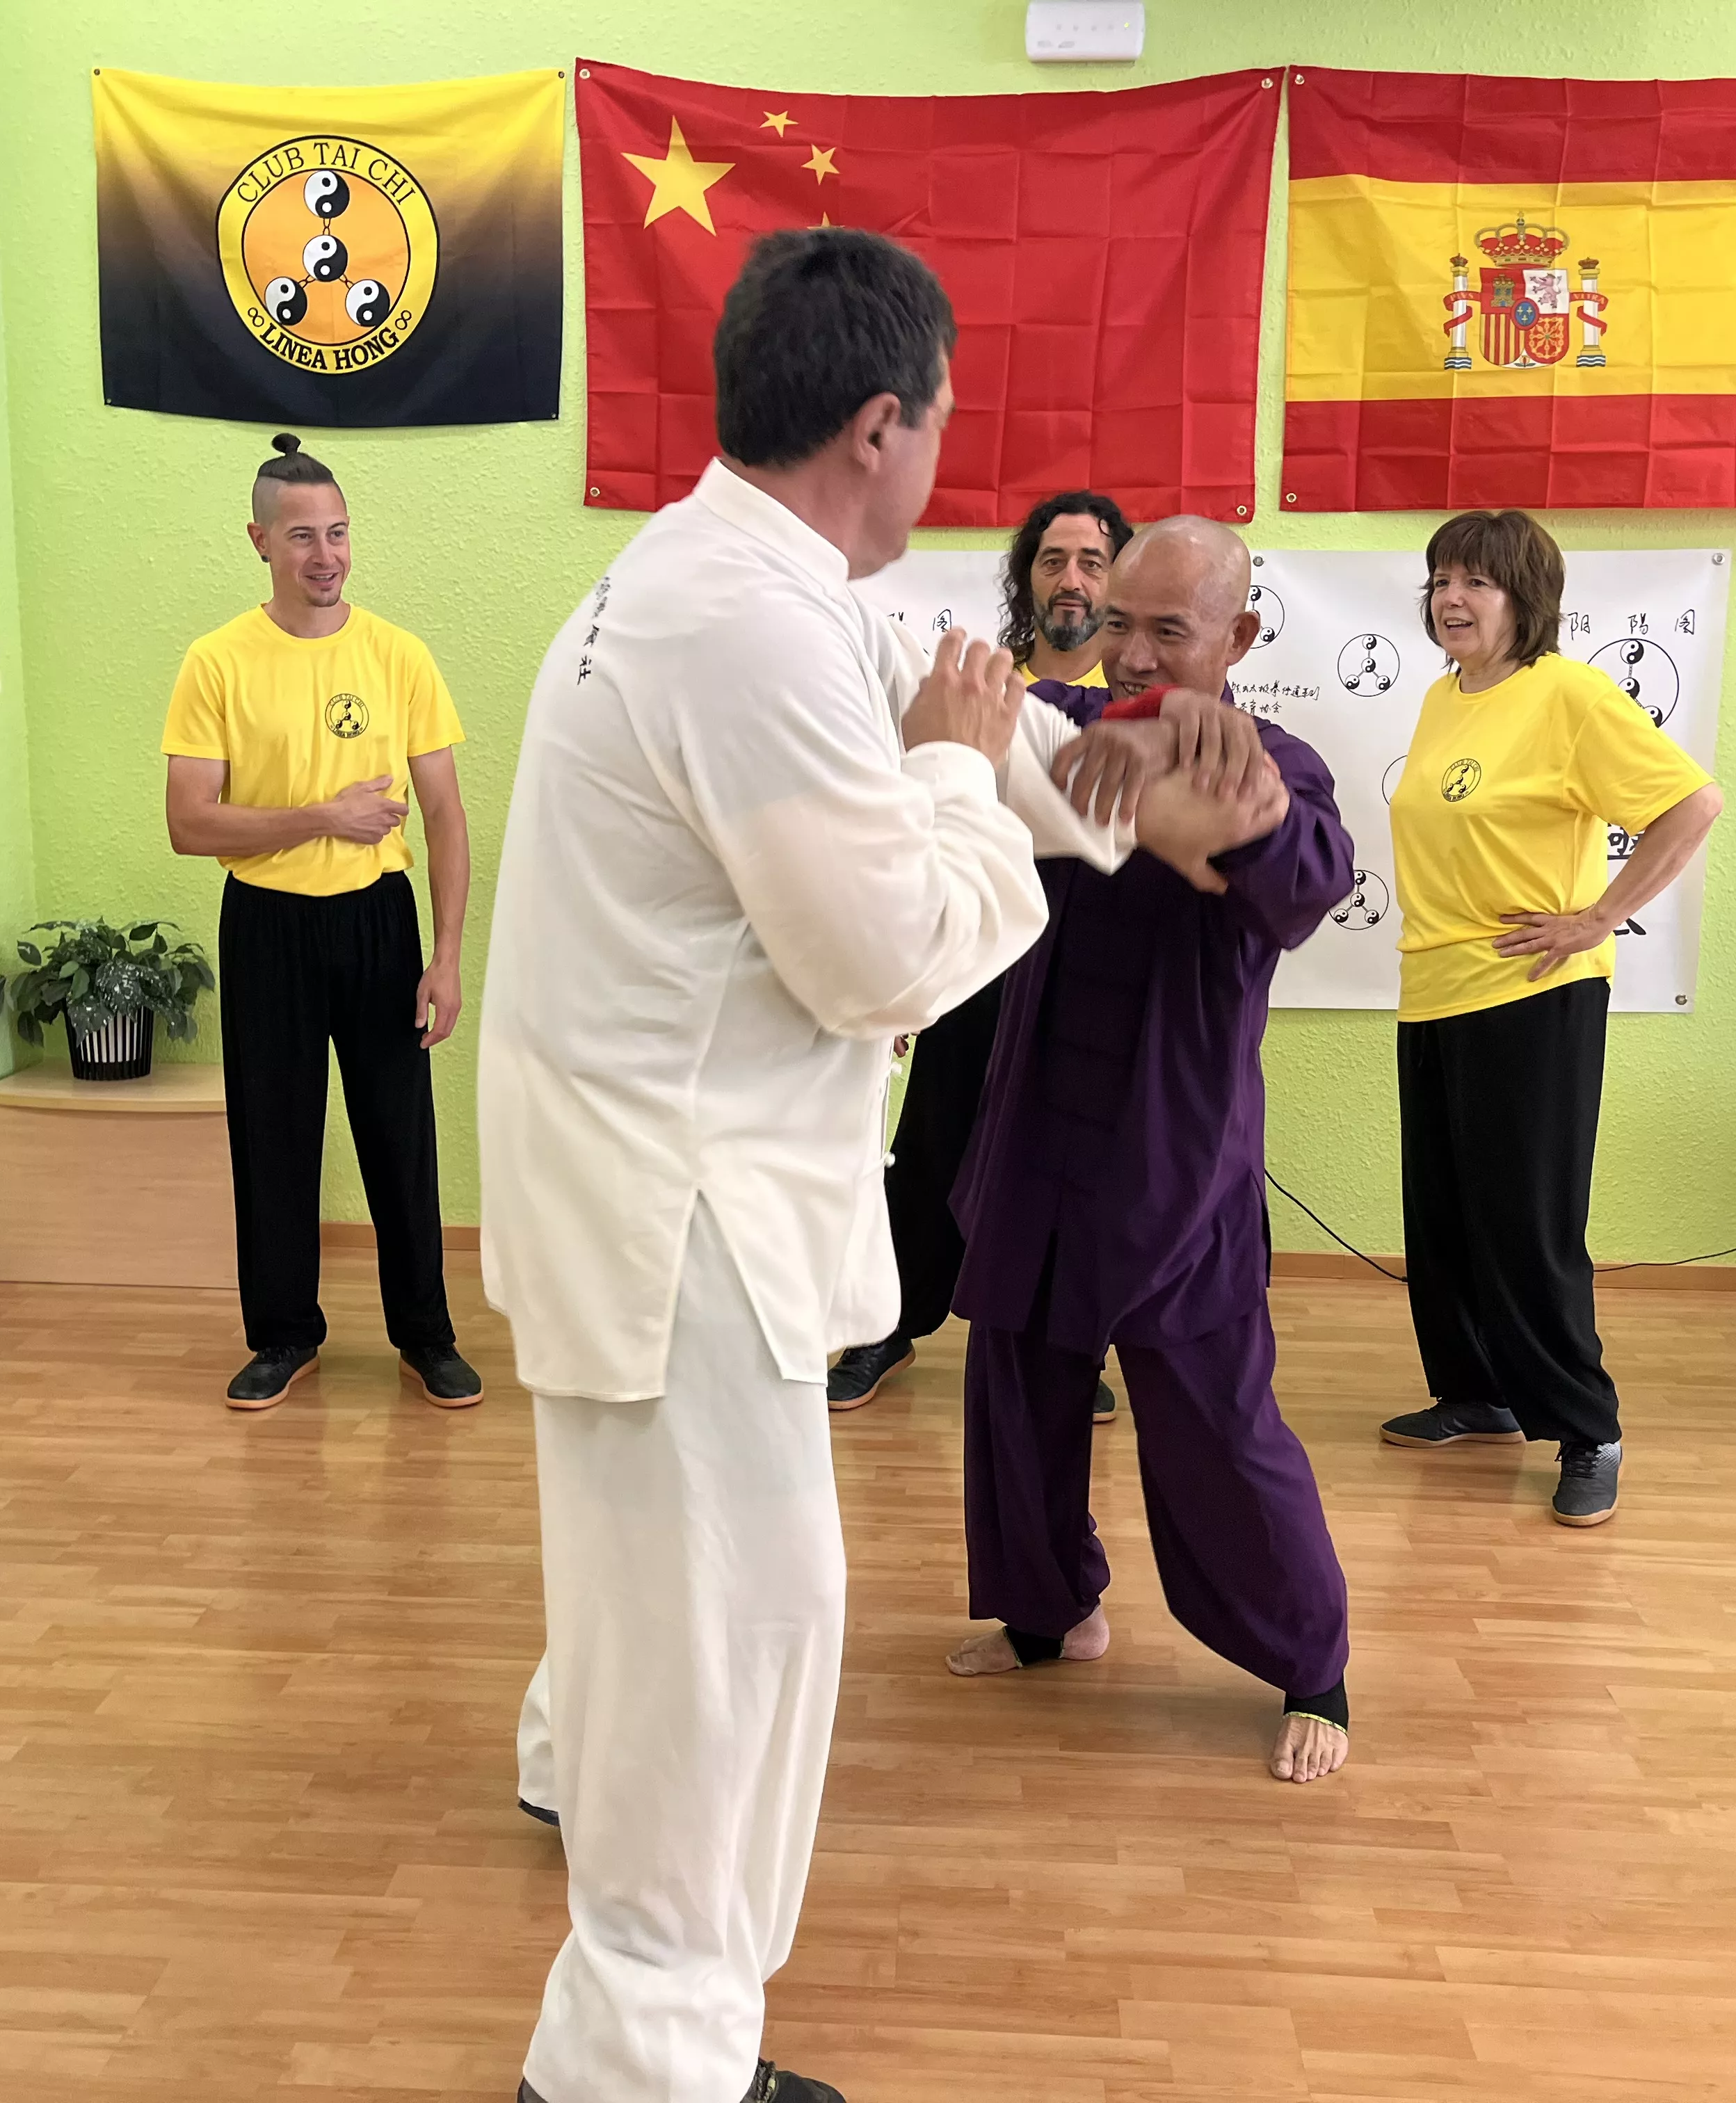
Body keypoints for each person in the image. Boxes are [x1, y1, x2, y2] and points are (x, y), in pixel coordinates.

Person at [481, 228, 1229, 2103]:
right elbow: (878, 955)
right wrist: (976, 788)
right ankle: (640, 2071)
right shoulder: (743, 619)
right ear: (882, 425)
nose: (943, 465)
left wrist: (1109, 792)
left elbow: (956, 689)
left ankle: (626, 1955)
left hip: (657, 1190)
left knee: (675, 1619)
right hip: (679, 1215)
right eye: (943, 429)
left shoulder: (752, 570)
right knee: (730, 1639)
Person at [946, 515, 1363, 1784]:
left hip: (1170, 1145)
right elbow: (955, 733)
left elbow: (1308, 878)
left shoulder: (1272, 760)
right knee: (1016, 1373)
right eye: (1116, 617)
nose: (1126, 646)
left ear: (1237, 637)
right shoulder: (1064, 723)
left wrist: (1238, 807)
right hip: (1031, 1117)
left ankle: (1313, 1662)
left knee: (1215, 1416)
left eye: (1165, 630)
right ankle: (1047, 1609)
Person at [1375, 510, 1724, 1524]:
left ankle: (1588, 1428)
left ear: (1528, 598)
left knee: (1528, 1224)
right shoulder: (1446, 697)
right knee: (1442, 1215)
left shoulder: (1566, 693)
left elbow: (1690, 804)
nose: (1453, 597)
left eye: (1479, 582)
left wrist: (1600, 918)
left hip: (1533, 999)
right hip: (1434, 987)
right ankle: (1476, 1392)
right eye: (1443, 578)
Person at [161, 434, 483, 1412]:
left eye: (338, 533)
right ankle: (284, 1336)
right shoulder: (217, 662)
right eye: (302, 536)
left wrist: (448, 956)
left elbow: (444, 816)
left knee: (400, 1136)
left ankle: (425, 1336)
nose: (325, 554)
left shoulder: (398, 655)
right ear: (259, 540)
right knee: (273, 1136)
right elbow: (188, 822)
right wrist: (319, 817)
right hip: (266, 924)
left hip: (379, 925)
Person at [829, 488, 1134, 1416]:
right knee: (934, 1143)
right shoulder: (978, 694)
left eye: (1091, 560)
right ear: (1027, 578)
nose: (1072, 578)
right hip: (974, 957)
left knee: (1073, 1169)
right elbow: (906, 815)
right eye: (1053, 560)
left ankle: (1068, 1354)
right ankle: (889, 1324)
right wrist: (893, 978)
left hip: (1087, 979)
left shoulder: (1146, 705)